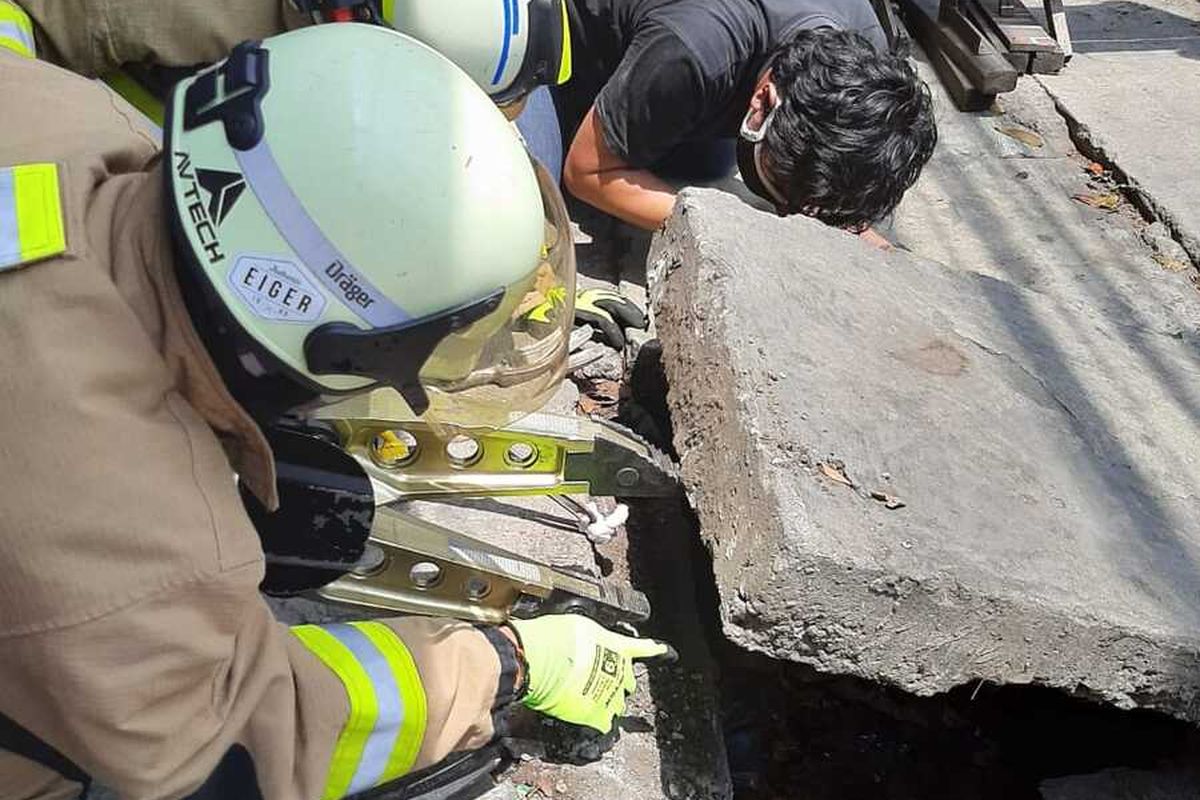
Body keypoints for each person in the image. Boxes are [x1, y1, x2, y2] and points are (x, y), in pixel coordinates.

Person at [0, 24, 668, 800]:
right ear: (326, 343)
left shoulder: (56, 106)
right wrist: (511, 661)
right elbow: (242, 741)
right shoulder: (137, 548)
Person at [515, 0, 937, 238]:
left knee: (705, 166)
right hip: (558, 40)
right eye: (786, 202)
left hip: (662, 60)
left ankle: (625, 114)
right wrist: (741, 233)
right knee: (527, 201)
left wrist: (854, 228)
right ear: (762, 102)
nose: (789, 214)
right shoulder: (694, 50)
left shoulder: (866, 52)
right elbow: (587, 172)